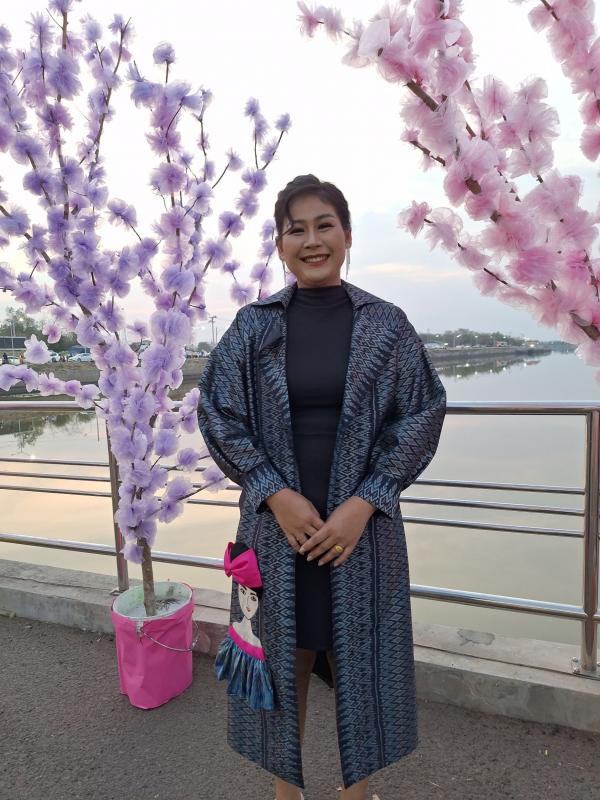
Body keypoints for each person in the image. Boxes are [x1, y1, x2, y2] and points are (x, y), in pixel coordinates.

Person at [197, 174, 447, 800]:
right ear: (279, 245)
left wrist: (367, 501)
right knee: (287, 661)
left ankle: (354, 794)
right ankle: (288, 794)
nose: (312, 240)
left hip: (360, 535)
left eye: (324, 225)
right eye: (296, 229)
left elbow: (423, 411)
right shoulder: (253, 327)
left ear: (347, 235)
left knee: (358, 661)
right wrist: (273, 492)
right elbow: (217, 411)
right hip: (276, 532)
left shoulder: (386, 325)